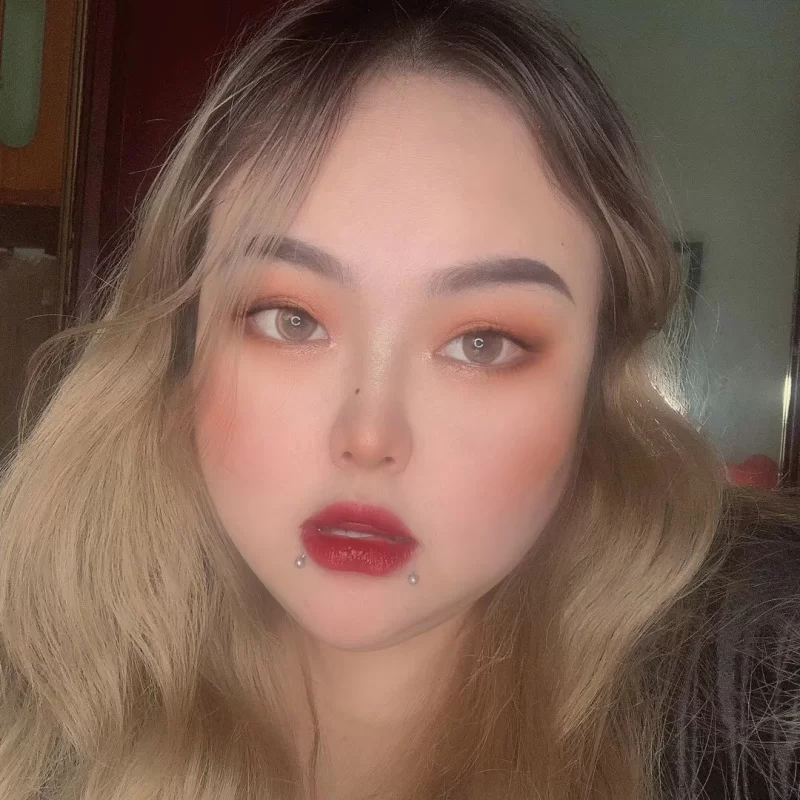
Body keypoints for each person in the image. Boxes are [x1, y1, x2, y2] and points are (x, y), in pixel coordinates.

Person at [0, 0, 798, 797]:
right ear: (183, 355)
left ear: (595, 394)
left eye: (483, 342)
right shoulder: (44, 696)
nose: (370, 435)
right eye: (291, 319)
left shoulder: (742, 705)